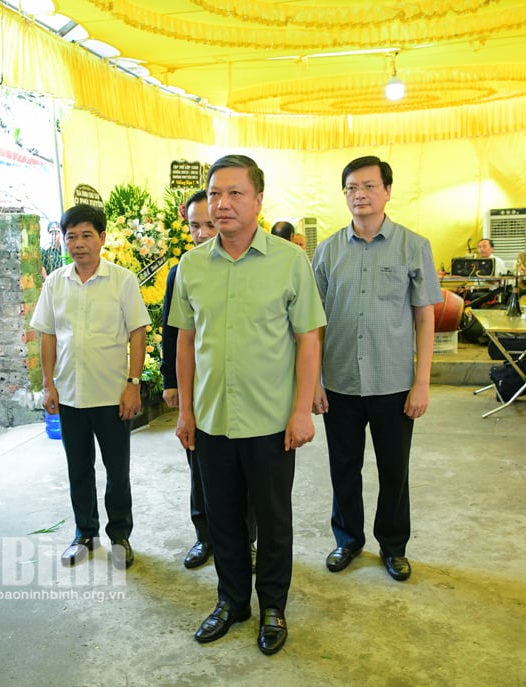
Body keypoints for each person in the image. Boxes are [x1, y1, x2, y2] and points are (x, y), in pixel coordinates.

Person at [170, 155, 325, 656]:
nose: (223, 203)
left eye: (236, 193)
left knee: (274, 520)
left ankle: (273, 606)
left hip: (270, 420)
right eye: (216, 193)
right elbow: (185, 343)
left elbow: (308, 339)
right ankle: (232, 601)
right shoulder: (191, 267)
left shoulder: (289, 260)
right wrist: (186, 412)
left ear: (259, 200)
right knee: (223, 519)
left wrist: (302, 410)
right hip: (213, 419)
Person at [311, 155, 441, 584]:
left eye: (368, 186)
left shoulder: (412, 245)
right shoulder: (328, 250)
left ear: (387, 190)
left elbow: (425, 317)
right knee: (343, 467)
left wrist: (421, 383)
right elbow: (314, 323)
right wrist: (314, 381)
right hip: (341, 381)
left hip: (393, 384)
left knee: (393, 470)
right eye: (351, 188)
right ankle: (347, 539)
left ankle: (393, 545)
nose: (359, 195)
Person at [30, 204, 150, 570]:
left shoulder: (122, 280)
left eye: (86, 235)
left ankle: (120, 535)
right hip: (69, 395)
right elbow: (47, 334)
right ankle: (85, 532)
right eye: (71, 237)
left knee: (117, 470)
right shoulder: (55, 282)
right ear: (64, 240)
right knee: (77, 468)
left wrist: (133, 385)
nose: (78, 244)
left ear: (101, 238)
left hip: (112, 394)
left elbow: (138, 332)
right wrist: (48, 385)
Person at [161, 190, 257, 570]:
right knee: (200, 470)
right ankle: (206, 536)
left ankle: (244, 538)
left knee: (246, 475)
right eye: (195, 226)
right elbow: (174, 334)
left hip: (240, 388)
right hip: (197, 392)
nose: (202, 233)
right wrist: (172, 383)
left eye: (209, 224)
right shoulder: (183, 270)